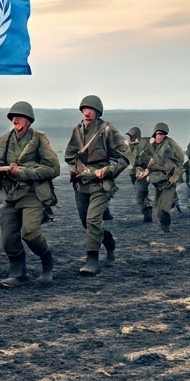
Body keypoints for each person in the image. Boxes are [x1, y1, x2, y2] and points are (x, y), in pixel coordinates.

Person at [0, 101, 60, 289]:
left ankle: (47, 262)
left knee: (30, 233)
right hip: (9, 194)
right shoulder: (4, 140)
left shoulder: (38, 138)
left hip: (32, 193)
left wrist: (23, 172)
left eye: (19, 117)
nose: (15, 119)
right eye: (13, 117)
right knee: (8, 238)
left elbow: (53, 168)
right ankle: (18, 272)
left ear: (29, 120)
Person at [64, 95, 129, 276]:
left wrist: (108, 170)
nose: (87, 112)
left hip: (101, 184)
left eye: (91, 109)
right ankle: (107, 239)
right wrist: (75, 167)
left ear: (98, 112)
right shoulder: (77, 130)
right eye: (84, 109)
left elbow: (123, 157)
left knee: (93, 220)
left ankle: (92, 260)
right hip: (81, 183)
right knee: (87, 223)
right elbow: (69, 155)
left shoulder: (107, 130)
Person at [134, 123, 185, 233]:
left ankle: (166, 227)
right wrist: (144, 168)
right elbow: (143, 159)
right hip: (158, 182)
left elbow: (179, 161)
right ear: (155, 134)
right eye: (158, 134)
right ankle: (171, 206)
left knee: (164, 209)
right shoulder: (150, 145)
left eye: (163, 134)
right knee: (157, 212)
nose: (160, 136)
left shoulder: (170, 145)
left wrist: (174, 177)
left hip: (168, 180)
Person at [125, 127, 152, 222]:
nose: (130, 138)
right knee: (141, 194)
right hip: (136, 174)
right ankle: (146, 209)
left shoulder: (144, 144)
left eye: (131, 136)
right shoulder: (129, 146)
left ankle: (148, 210)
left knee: (141, 193)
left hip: (145, 172)